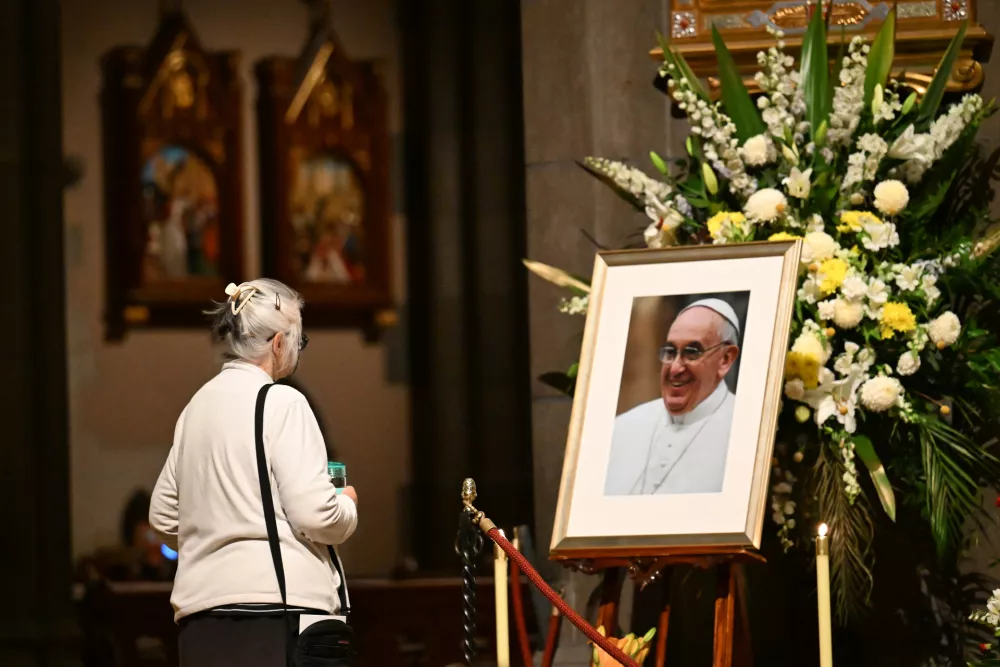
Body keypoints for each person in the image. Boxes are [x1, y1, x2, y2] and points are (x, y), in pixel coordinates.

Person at [149, 278, 359, 667]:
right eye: (300, 341)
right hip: (277, 614)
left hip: (201, 620)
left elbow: (162, 515)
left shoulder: (196, 408)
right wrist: (346, 505)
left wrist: (216, 534)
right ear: (279, 343)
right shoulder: (282, 402)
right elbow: (316, 516)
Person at [605, 298, 741, 496]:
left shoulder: (745, 431)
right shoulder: (622, 427)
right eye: (670, 352)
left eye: (692, 353)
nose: (675, 368)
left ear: (725, 359)